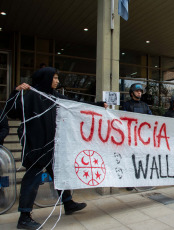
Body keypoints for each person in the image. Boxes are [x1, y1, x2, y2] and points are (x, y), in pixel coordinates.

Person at [5, 67, 107, 229]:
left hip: (52, 144)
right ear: (45, 78)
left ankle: (68, 203)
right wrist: (15, 93)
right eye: (54, 77)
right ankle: (24, 217)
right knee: (32, 178)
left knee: (59, 173)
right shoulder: (30, 95)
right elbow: (11, 112)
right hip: (36, 146)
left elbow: (75, 104)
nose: (57, 81)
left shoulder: (53, 96)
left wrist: (97, 105)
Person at [122, 83, 151, 191]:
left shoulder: (145, 106)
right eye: (137, 91)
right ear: (132, 93)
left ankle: (141, 179)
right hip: (130, 137)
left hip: (142, 138)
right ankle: (129, 181)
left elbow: (151, 119)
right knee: (130, 160)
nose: (139, 93)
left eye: (140, 91)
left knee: (142, 159)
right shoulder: (126, 105)